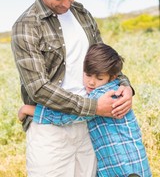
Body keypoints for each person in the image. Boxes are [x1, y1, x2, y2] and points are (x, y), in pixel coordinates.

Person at [11, 0, 134, 177]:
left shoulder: (83, 14)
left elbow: (103, 60)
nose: (67, 3)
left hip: (91, 127)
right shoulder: (26, 26)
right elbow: (38, 88)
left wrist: (126, 86)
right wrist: (95, 107)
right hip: (50, 133)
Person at [18, 43, 152, 177]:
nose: (91, 82)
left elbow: (67, 116)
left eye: (99, 78)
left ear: (113, 77)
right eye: (88, 75)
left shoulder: (104, 95)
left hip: (125, 168)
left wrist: (28, 109)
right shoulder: (115, 88)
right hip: (127, 164)